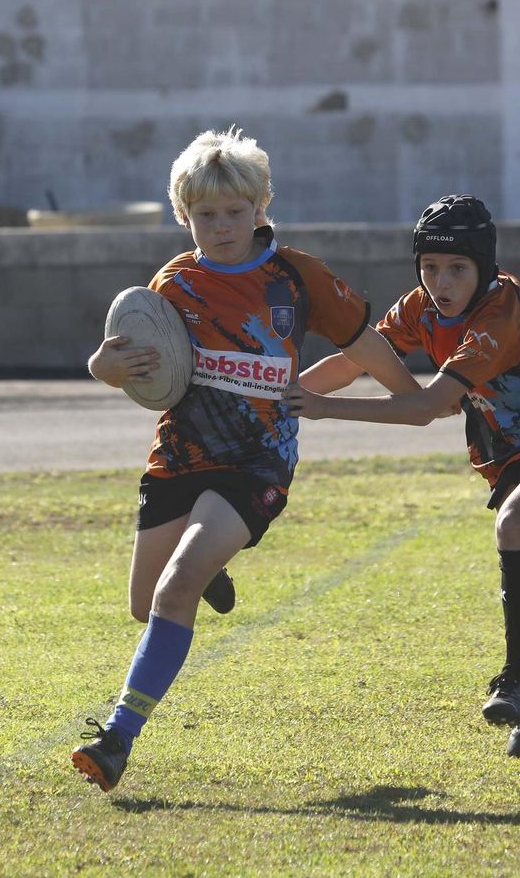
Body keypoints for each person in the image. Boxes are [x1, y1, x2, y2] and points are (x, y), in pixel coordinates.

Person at [72, 126, 422, 792]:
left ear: (261, 206)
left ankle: (118, 736)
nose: (222, 226)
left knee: (174, 589)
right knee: (148, 605)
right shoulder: (172, 284)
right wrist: (104, 365)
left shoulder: (295, 275)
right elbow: (135, 370)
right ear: (185, 215)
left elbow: (364, 343)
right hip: (179, 456)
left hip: (256, 464)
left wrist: (416, 398)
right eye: (206, 214)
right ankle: (206, 573)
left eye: (236, 212)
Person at [282, 194, 520, 758]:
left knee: (516, 521)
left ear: (485, 268)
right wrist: (282, 394)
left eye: (458, 268)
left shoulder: (498, 315)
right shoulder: (419, 307)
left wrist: (321, 406)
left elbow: (425, 408)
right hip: (504, 447)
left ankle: (516, 681)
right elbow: (358, 359)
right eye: (429, 267)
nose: (441, 281)